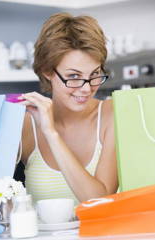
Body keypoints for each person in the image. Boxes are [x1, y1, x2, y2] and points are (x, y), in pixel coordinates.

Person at [19, 12, 118, 205]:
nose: (87, 88)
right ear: (47, 71)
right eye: (74, 76)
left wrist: (51, 134)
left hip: (101, 235)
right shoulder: (25, 126)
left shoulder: (112, 114)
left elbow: (99, 203)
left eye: (95, 74)